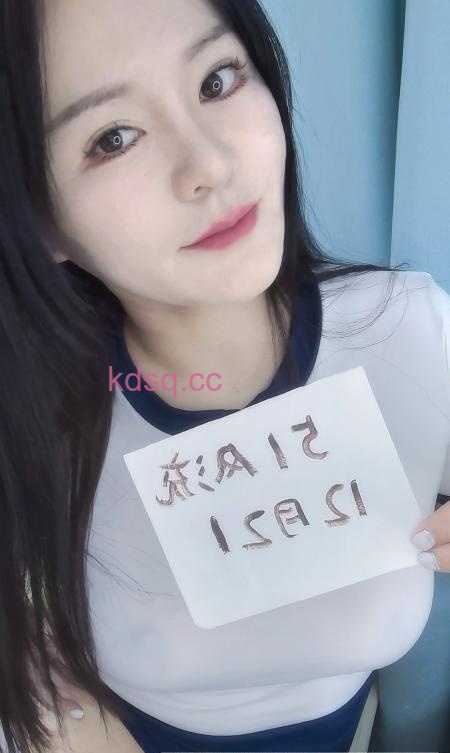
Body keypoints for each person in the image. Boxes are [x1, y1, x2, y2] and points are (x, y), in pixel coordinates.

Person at [0, 0, 449, 751]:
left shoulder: (410, 332)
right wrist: (60, 719)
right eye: (113, 138)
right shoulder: (40, 412)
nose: (209, 165)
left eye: (216, 80)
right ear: (36, 219)